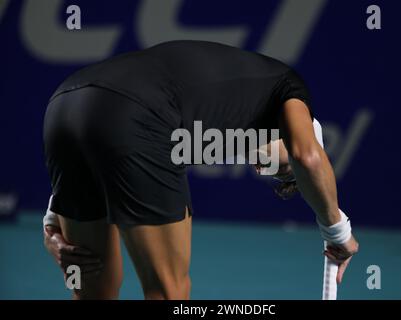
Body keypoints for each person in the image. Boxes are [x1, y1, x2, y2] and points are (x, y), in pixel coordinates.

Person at [42, 40, 359, 300]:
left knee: (92, 288)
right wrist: (338, 231)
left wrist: (53, 220)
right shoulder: (290, 88)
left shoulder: (218, 128)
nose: (264, 168)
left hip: (65, 105)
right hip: (133, 112)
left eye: (273, 175)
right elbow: (308, 158)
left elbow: (105, 132)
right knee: (170, 293)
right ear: (295, 133)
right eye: (283, 168)